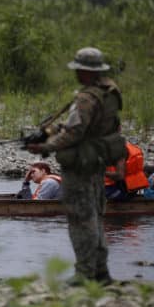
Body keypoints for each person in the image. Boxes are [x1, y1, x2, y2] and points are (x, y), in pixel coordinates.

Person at [26, 47, 126, 285]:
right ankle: (101, 273)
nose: (77, 74)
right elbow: (95, 128)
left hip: (80, 163)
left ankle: (84, 274)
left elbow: (75, 133)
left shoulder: (86, 98)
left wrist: (45, 147)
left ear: (86, 71)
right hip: (96, 161)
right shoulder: (110, 93)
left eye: (79, 70)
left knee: (81, 217)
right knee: (96, 216)